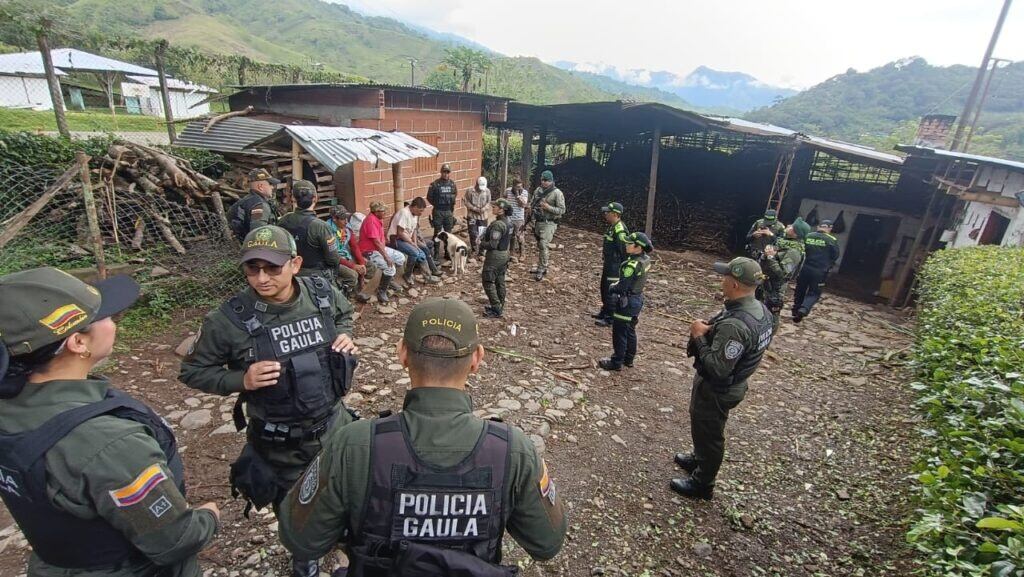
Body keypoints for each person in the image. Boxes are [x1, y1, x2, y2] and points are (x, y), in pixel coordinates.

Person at [277, 298, 568, 575]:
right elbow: (546, 544)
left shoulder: (353, 443)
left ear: (402, 354)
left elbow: (301, 539)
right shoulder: (511, 449)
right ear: (477, 359)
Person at [0, 267, 220, 577]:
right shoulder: (108, 442)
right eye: (103, 315)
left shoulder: (11, 409)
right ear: (77, 341)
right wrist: (209, 517)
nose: (113, 320)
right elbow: (174, 540)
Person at [178, 225, 358, 577]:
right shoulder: (228, 319)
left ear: (295, 263)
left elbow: (344, 315)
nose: (261, 278)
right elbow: (193, 371)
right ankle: (304, 556)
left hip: (335, 425)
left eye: (272, 268)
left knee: (345, 489)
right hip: (281, 442)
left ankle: (346, 538)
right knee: (294, 508)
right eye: (251, 269)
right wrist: (240, 379)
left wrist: (345, 335)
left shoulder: (321, 292)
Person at [672, 257, 774, 500]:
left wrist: (698, 336)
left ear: (735, 284)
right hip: (731, 384)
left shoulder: (736, 325)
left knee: (710, 433)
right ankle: (700, 459)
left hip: (718, 388)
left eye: (725, 276)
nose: (722, 280)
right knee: (703, 428)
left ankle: (703, 483)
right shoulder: (759, 310)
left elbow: (718, 368)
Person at [598, 232, 652, 371]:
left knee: (620, 332)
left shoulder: (631, 265)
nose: (626, 245)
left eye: (629, 243)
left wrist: (612, 287)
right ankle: (629, 359)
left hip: (626, 301)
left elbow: (622, 286)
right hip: (637, 299)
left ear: (637, 247)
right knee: (630, 330)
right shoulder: (645, 260)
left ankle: (616, 362)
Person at [278, 180, 342, 281]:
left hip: (289, 273)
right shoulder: (321, 226)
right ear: (315, 198)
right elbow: (333, 259)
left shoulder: (283, 221)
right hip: (316, 278)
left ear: (293, 198)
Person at [757, 218, 810, 330]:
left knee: (771, 314)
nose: (789, 225)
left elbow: (782, 273)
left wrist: (770, 257)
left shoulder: (794, 252)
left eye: (792, 226)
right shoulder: (784, 243)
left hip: (775, 288)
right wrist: (765, 255)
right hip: (764, 282)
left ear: (795, 234)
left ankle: (767, 339)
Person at [358, 202, 407, 305]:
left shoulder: (377, 219)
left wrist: (386, 243)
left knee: (400, 257)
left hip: (378, 248)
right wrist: (386, 257)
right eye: (383, 211)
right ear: (376, 212)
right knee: (390, 267)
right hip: (369, 251)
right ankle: (382, 291)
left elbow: (380, 240)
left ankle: (389, 281)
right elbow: (376, 242)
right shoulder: (371, 221)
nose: (385, 212)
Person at [792, 219, 840, 323]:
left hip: (805, 268)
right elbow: (835, 255)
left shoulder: (808, 236)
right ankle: (804, 309)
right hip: (820, 271)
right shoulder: (832, 240)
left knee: (800, 289)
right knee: (814, 293)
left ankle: (796, 310)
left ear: (819, 227)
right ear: (829, 228)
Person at [388, 197, 442, 286]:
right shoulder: (404, 213)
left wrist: (415, 243)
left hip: (406, 239)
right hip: (396, 239)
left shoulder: (415, 214)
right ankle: (407, 275)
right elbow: (400, 233)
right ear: (415, 207)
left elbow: (414, 230)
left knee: (422, 252)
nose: (421, 213)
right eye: (420, 211)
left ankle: (428, 276)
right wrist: (412, 243)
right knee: (414, 252)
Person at [593, 202, 629, 327]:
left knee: (611, 291)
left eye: (608, 212)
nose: (605, 214)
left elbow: (624, 250)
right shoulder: (612, 227)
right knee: (604, 287)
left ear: (615, 214)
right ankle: (604, 311)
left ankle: (610, 318)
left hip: (615, 266)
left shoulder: (620, 230)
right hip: (608, 264)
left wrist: (622, 267)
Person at [327, 205, 372, 304]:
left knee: (370, 266)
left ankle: (358, 291)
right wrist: (353, 266)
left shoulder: (346, 227)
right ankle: (344, 299)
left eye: (346, 218)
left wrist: (362, 264)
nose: (346, 221)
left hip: (346, 256)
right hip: (333, 260)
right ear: (334, 219)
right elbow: (333, 256)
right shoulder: (327, 230)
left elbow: (354, 246)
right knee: (352, 275)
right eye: (343, 219)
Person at [529, 170, 566, 281]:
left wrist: (548, 207)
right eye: (543, 180)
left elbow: (562, 210)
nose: (544, 182)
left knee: (543, 244)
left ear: (552, 181)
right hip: (538, 221)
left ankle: (542, 268)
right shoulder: (538, 190)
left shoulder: (557, 193)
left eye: (547, 180)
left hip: (549, 222)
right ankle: (542, 265)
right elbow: (532, 203)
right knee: (540, 245)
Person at [480, 199, 514, 318]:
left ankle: (496, 308)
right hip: (505, 254)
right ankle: (500, 305)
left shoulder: (498, 225)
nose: (492, 208)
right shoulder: (509, 222)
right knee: (500, 281)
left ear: (501, 210)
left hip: (495, 256)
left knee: (488, 281)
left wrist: (481, 242)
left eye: (495, 207)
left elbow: (492, 244)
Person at [230, 167, 281, 240]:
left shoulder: (245, 200)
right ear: (260, 187)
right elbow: (259, 235)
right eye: (270, 184)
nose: (272, 187)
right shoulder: (260, 205)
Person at [426, 163, 458, 261]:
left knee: (448, 233)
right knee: (437, 233)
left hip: (448, 211)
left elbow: (454, 196)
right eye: (444, 172)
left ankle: (447, 253)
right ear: (441, 172)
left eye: (447, 172)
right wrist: (437, 205)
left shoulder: (452, 184)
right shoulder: (435, 184)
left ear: (449, 173)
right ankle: (436, 254)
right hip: (438, 211)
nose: (445, 174)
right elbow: (429, 197)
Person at [465, 176, 492, 256]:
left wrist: (484, 209)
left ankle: (481, 250)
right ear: (476, 184)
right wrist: (474, 208)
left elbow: (489, 202)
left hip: (483, 216)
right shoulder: (470, 191)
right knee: (473, 232)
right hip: (472, 216)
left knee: (482, 233)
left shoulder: (487, 191)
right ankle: (474, 249)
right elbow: (466, 201)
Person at [504, 178, 530, 259]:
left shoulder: (524, 192)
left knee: (520, 236)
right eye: (517, 186)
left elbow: (523, 205)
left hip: (519, 218)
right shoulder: (508, 191)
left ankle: (522, 253)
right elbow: (504, 199)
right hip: (509, 217)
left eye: (521, 186)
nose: (519, 188)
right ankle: (511, 253)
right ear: (513, 186)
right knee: (511, 235)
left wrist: (518, 196)